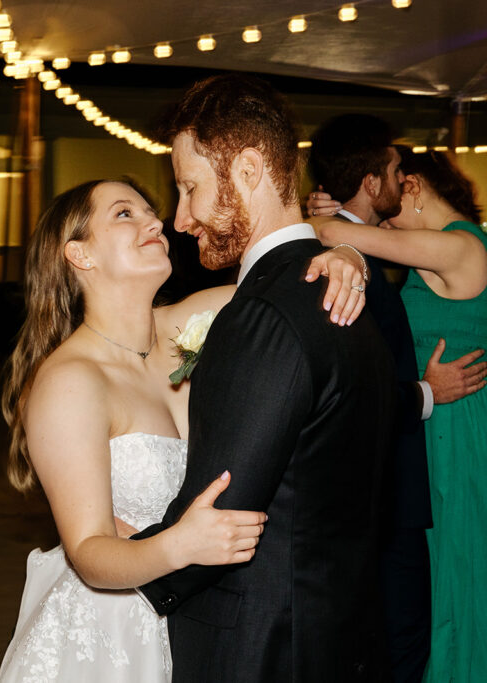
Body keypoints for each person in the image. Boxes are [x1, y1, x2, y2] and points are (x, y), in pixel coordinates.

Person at [0, 177, 365, 681]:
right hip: (110, 637)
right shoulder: (69, 381)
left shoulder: (192, 320)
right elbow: (88, 552)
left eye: (150, 211)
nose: (156, 222)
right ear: (80, 255)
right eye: (125, 214)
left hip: (195, 620)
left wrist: (346, 257)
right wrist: (179, 545)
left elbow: (291, 281)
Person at [130, 74, 397, 682]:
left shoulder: (264, 316)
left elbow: (221, 512)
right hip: (337, 633)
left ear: (248, 170)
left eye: (190, 188)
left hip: (263, 648)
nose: (181, 218)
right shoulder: (342, 294)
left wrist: (113, 563)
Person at [308, 147, 487, 682]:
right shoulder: (435, 252)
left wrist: (331, 219)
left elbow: (337, 235)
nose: (385, 207)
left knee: (465, 574)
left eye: (394, 187)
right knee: (440, 575)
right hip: (437, 423)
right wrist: (339, 217)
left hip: (458, 430)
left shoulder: (460, 246)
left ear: (414, 186)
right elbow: (352, 235)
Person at [306, 114, 487, 682]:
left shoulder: (450, 247)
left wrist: (320, 220)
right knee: (402, 623)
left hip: (447, 435)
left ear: (417, 188)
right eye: (389, 172)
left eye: (401, 176)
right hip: (399, 455)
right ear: (375, 183)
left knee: (434, 600)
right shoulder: (370, 258)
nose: (395, 186)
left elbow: (355, 238)